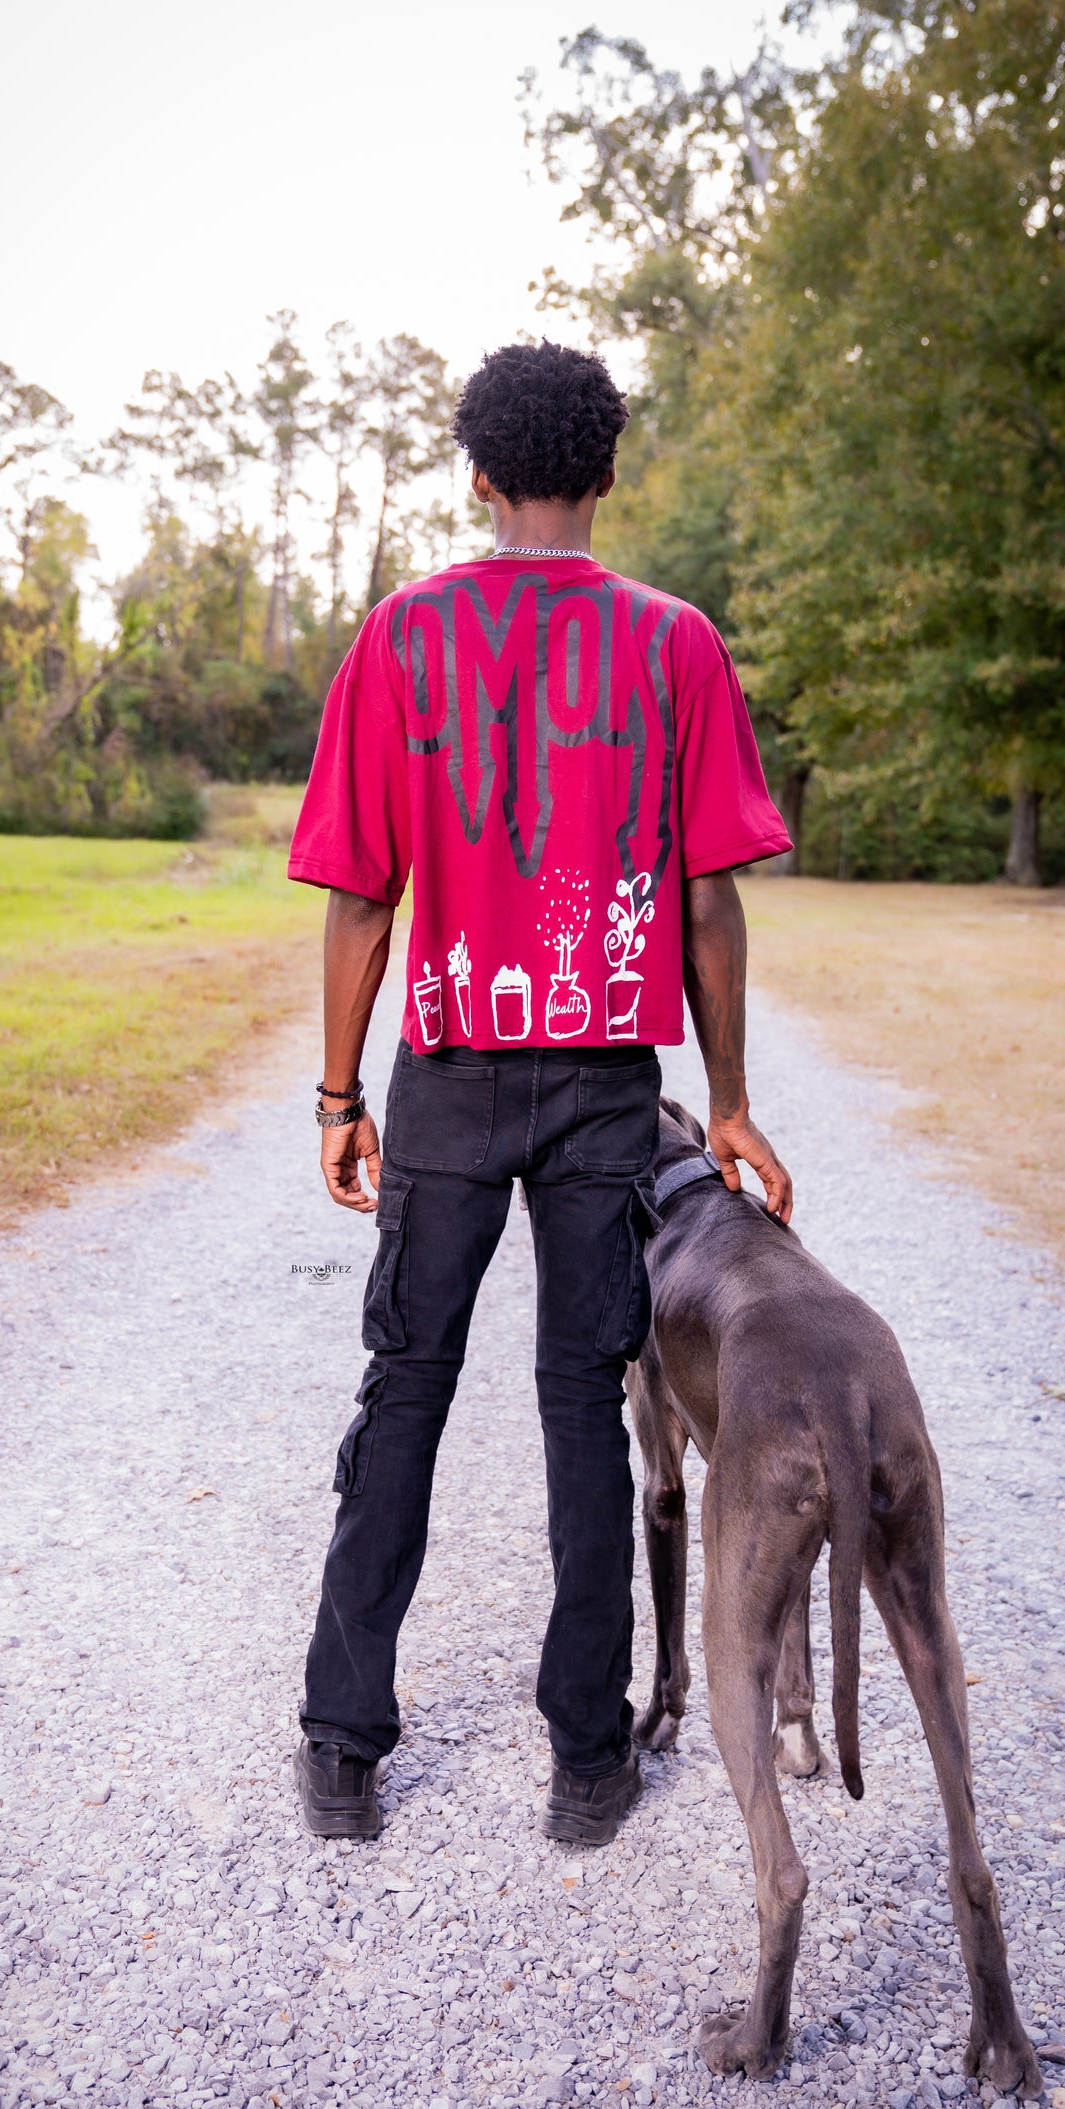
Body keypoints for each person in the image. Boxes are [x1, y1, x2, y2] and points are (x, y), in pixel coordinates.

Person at [287, 339, 792, 1845]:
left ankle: (343, 1743)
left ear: (479, 478)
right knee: (584, 1399)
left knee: (405, 1386)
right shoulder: (675, 642)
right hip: (599, 1085)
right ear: (609, 473)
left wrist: (335, 1096)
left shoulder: (402, 635)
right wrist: (732, 1099)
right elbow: (709, 903)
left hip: (446, 1068)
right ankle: (586, 1761)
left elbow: (361, 900)